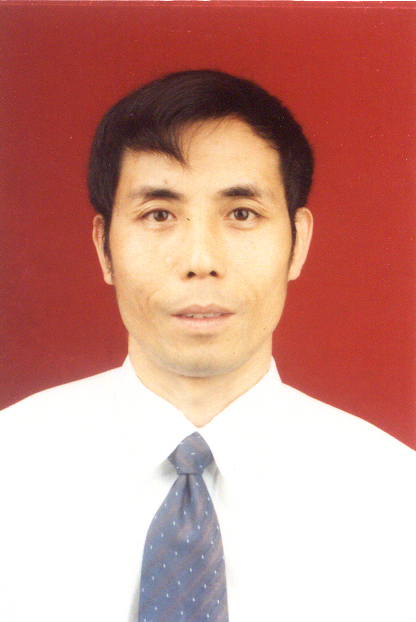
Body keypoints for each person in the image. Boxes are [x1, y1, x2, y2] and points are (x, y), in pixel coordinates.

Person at [0, 70, 415, 622]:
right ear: (104, 249)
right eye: (159, 214)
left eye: (242, 214)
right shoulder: (11, 467)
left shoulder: (396, 500)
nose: (201, 259)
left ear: (298, 243)